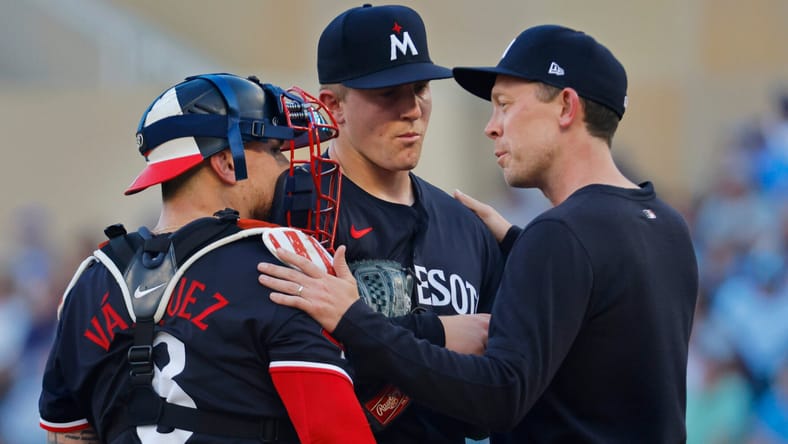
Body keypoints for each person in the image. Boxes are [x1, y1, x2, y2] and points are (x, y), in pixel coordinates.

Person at [259, 24, 700, 443]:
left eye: (505, 105)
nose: (491, 125)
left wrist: (356, 321)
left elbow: (497, 396)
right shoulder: (666, 226)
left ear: (566, 107)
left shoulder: (562, 236)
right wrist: (522, 247)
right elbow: (602, 316)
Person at [38, 73, 375, 443]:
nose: (285, 167)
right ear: (228, 162)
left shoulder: (89, 279)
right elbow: (337, 435)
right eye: (275, 151)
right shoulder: (281, 260)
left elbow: (69, 435)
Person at [268, 4, 504, 443]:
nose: (412, 109)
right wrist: (436, 335)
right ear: (332, 107)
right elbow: (267, 355)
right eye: (388, 93)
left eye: (420, 88)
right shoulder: (292, 202)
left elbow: (491, 402)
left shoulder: (467, 228)